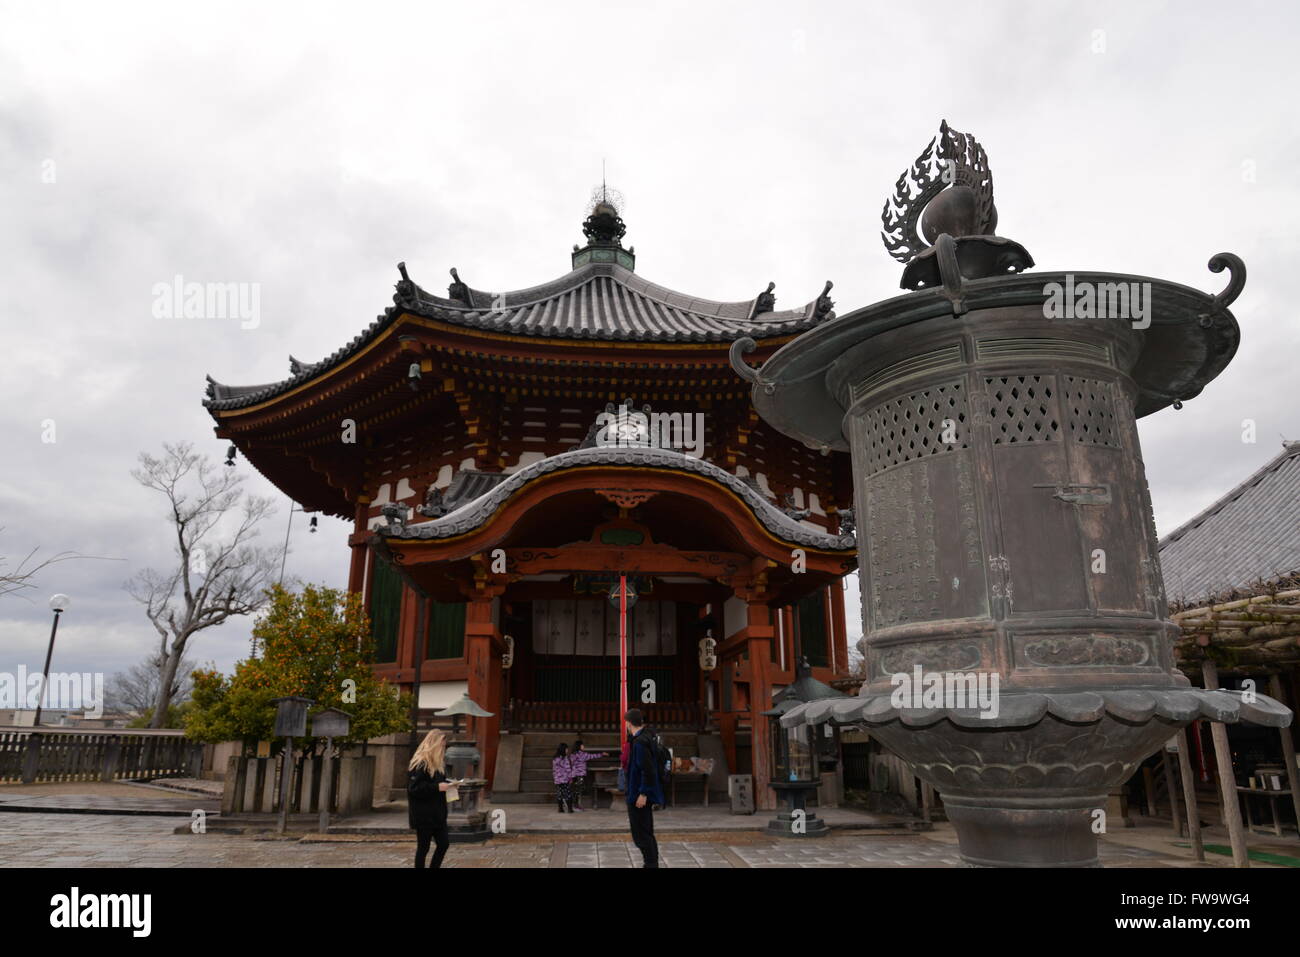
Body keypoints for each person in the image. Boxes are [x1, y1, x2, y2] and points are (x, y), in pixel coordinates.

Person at [407, 729, 454, 869]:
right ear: (434, 744)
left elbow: (439, 783)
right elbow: (414, 788)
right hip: (424, 815)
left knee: (444, 844)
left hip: (438, 813)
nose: (444, 747)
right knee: (423, 847)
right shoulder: (421, 763)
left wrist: (451, 786)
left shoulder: (439, 764)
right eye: (442, 744)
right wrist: (437, 787)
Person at [624, 708, 664, 868]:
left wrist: (643, 793)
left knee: (641, 833)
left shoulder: (640, 742)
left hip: (639, 793)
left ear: (629, 723)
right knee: (645, 831)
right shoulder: (646, 737)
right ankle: (651, 863)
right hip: (639, 790)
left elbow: (647, 770)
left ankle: (651, 863)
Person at [567, 739, 609, 811]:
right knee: (578, 790)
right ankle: (575, 806)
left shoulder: (573, 754)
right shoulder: (581, 754)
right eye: (582, 745)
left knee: (576, 790)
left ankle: (574, 805)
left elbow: (571, 764)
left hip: (574, 775)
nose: (583, 746)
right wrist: (602, 754)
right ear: (579, 746)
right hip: (579, 775)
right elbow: (591, 756)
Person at [552, 742, 574, 813]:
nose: (567, 750)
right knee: (568, 793)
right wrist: (570, 778)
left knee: (560, 793)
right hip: (564, 779)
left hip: (558, 779)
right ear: (564, 749)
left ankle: (560, 809)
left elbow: (554, 770)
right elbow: (568, 769)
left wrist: (555, 778)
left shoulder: (555, 758)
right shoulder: (564, 758)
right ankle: (570, 809)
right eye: (567, 749)